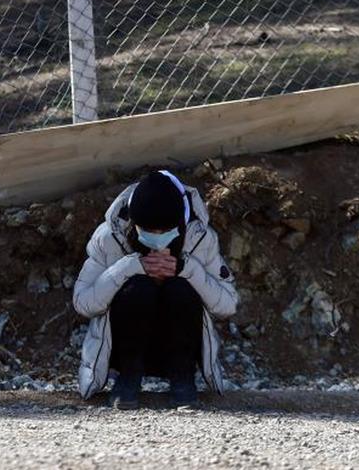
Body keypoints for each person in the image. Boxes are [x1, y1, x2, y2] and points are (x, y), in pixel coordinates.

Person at [72, 169, 238, 409]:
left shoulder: (200, 238)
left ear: (179, 224)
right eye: (149, 231)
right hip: (124, 349)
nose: (157, 237)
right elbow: (83, 302)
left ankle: (183, 379)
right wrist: (128, 268)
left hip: (179, 346)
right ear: (135, 223)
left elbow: (228, 304)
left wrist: (188, 269)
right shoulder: (110, 237)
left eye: (165, 231)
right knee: (139, 288)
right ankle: (128, 378)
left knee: (179, 288)